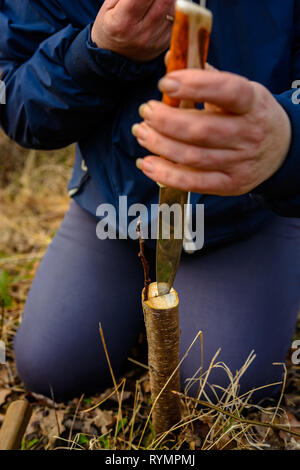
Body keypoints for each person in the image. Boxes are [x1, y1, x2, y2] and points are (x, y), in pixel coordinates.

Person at [0, 0, 299, 402]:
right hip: (112, 208)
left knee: (225, 384)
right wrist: (95, 52)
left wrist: (286, 144)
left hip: (248, 213)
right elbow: (17, 102)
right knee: (51, 367)